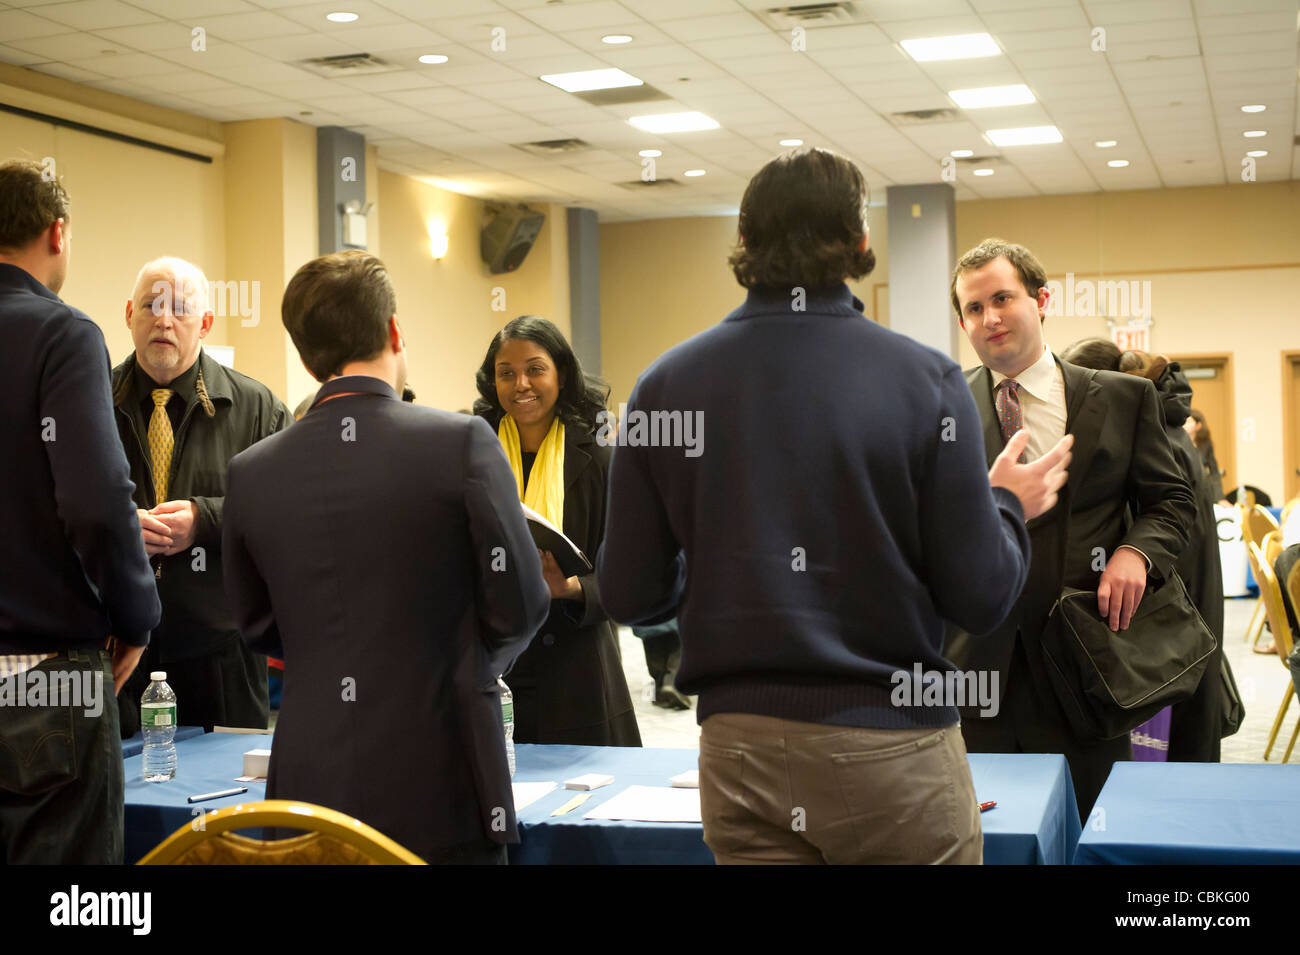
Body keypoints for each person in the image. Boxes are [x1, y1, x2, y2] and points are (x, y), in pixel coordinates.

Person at [597, 148, 1071, 864]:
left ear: (745, 247)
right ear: (858, 244)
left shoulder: (664, 386)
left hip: (738, 750)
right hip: (892, 745)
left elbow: (630, 593)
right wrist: (1005, 503)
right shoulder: (924, 381)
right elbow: (979, 595)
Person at [223, 250, 550, 863]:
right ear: (394, 330)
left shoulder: (251, 472)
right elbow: (524, 604)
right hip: (442, 774)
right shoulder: (461, 443)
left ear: (304, 354)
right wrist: (465, 665)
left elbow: (256, 624)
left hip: (307, 782)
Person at [946, 240, 1196, 820]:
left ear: (1042, 300)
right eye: (975, 308)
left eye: (1003, 298)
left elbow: (1172, 499)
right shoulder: (940, 405)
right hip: (972, 666)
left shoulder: (1122, 398)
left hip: (1086, 659)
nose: (991, 318)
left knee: (1090, 826)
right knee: (981, 832)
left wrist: (1137, 552)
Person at [0, 159, 161, 863]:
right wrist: (136, 616)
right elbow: (96, 502)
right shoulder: (60, 333)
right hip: (46, 680)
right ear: (56, 232)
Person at [111, 257, 290, 736]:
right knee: (125, 803)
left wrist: (205, 519)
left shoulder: (259, 409)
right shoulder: (90, 400)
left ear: (206, 323)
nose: (163, 320)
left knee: (234, 804)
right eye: (150, 305)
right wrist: (116, 525)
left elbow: (290, 513)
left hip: (223, 655)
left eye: (181, 309)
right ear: (129, 314)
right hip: (117, 651)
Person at [473, 316, 641, 746]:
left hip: (575, 668)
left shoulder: (600, 455)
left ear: (561, 374)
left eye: (535, 369)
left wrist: (569, 588)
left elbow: (626, 574)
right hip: (495, 659)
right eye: (506, 373)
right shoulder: (475, 451)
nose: (521, 384)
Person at [1064, 342, 1226, 761]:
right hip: (1190, 611)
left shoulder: (1155, 442)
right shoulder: (1169, 430)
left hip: (1169, 624)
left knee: (1166, 758)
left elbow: (1157, 533)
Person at [1184, 409, 1227, 504]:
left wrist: (1220, 498)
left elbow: (1214, 472)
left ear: (1198, 426)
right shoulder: (1178, 443)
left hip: (1202, 489)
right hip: (1185, 489)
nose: (1184, 425)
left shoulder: (1205, 445)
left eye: (1188, 422)